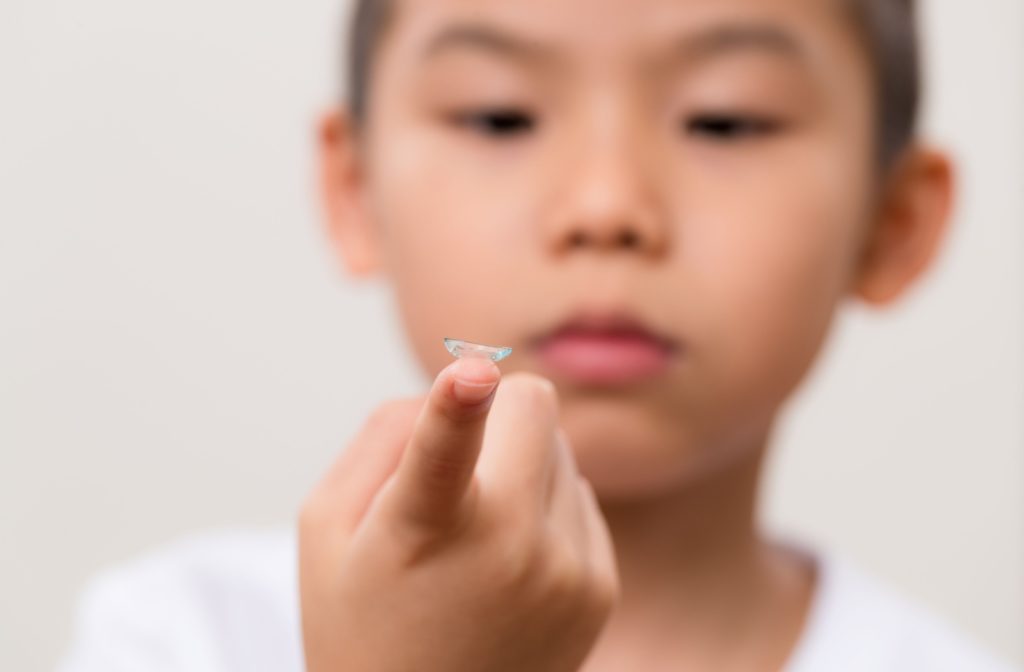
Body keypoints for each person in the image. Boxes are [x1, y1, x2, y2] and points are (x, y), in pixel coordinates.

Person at [58, 0, 1020, 670]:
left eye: (725, 121)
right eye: (499, 115)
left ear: (892, 223)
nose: (604, 207)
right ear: (356, 192)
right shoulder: (177, 640)